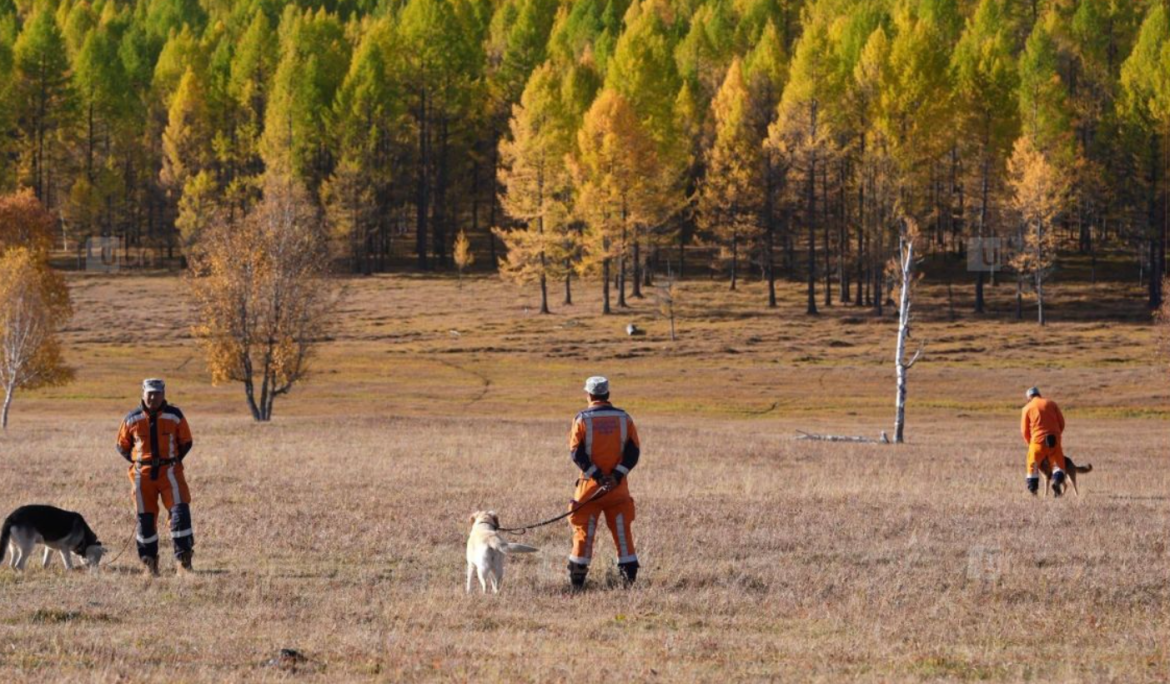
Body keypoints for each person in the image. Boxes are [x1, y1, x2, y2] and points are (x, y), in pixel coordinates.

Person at [567, 376, 641, 590]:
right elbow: (633, 452)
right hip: (618, 490)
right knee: (623, 535)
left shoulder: (582, 419)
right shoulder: (624, 418)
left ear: (589, 395)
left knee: (583, 536)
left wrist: (598, 477)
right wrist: (615, 476)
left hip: (589, 491)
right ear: (607, 394)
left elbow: (576, 452)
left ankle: (577, 587)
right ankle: (629, 585)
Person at [116, 379, 195, 575]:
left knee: (180, 515)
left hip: (171, 473)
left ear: (163, 394)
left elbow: (186, 442)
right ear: (143, 393)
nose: (153, 397)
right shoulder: (131, 418)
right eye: (150, 393)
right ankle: (149, 565)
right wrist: (141, 462)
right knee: (145, 520)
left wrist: (170, 461)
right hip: (142, 476)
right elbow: (122, 446)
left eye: (158, 393)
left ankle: (183, 565)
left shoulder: (175, 416)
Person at [1021, 386, 1066, 497]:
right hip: (1054, 440)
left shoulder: (1027, 408)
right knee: (1058, 464)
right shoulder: (1052, 403)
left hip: (1037, 442)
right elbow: (1062, 423)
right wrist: (1057, 435)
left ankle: (1033, 489)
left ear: (1028, 398)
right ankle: (1057, 482)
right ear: (1039, 394)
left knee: (1032, 464)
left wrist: (1030, 444)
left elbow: (1024, 430)